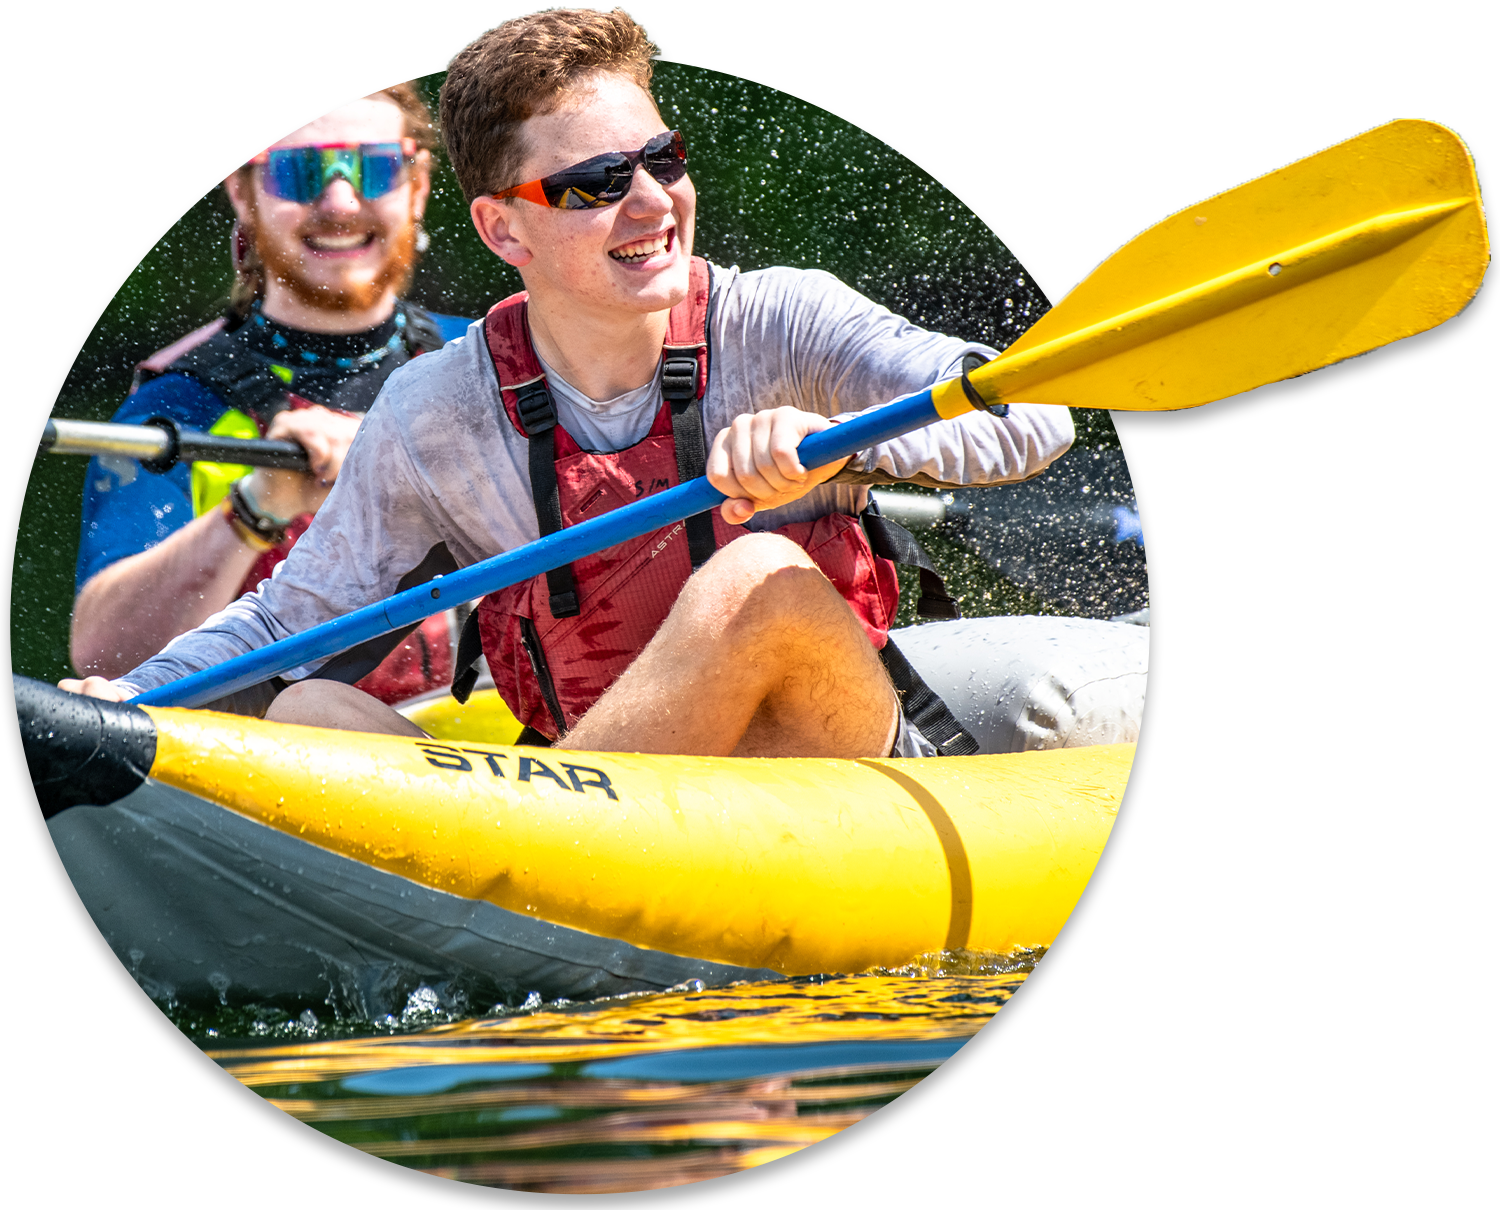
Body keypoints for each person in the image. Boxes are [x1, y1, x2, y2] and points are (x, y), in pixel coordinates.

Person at [63, 8, 1076, 760]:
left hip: (826, 763)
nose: (651, 201)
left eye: (661, 159)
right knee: (305, 708)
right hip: (587, 791)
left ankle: (552, 854)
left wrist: (847, 439)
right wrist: (118, 703)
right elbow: (290, 619)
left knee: (752, 579)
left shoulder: (785, 319)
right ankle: (542, 873)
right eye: (593, 185)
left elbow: (1036, 416)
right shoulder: (437, 412)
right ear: (504, 229)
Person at [68, 82, 470, 712]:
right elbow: (106, 659)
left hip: (487, 750)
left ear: (417, 186)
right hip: (270, 762)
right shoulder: (174, 409)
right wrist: (258, 508)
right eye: (297, 171)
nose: (339, 203)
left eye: (374, 167)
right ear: (242, 191)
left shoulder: (491, 360)